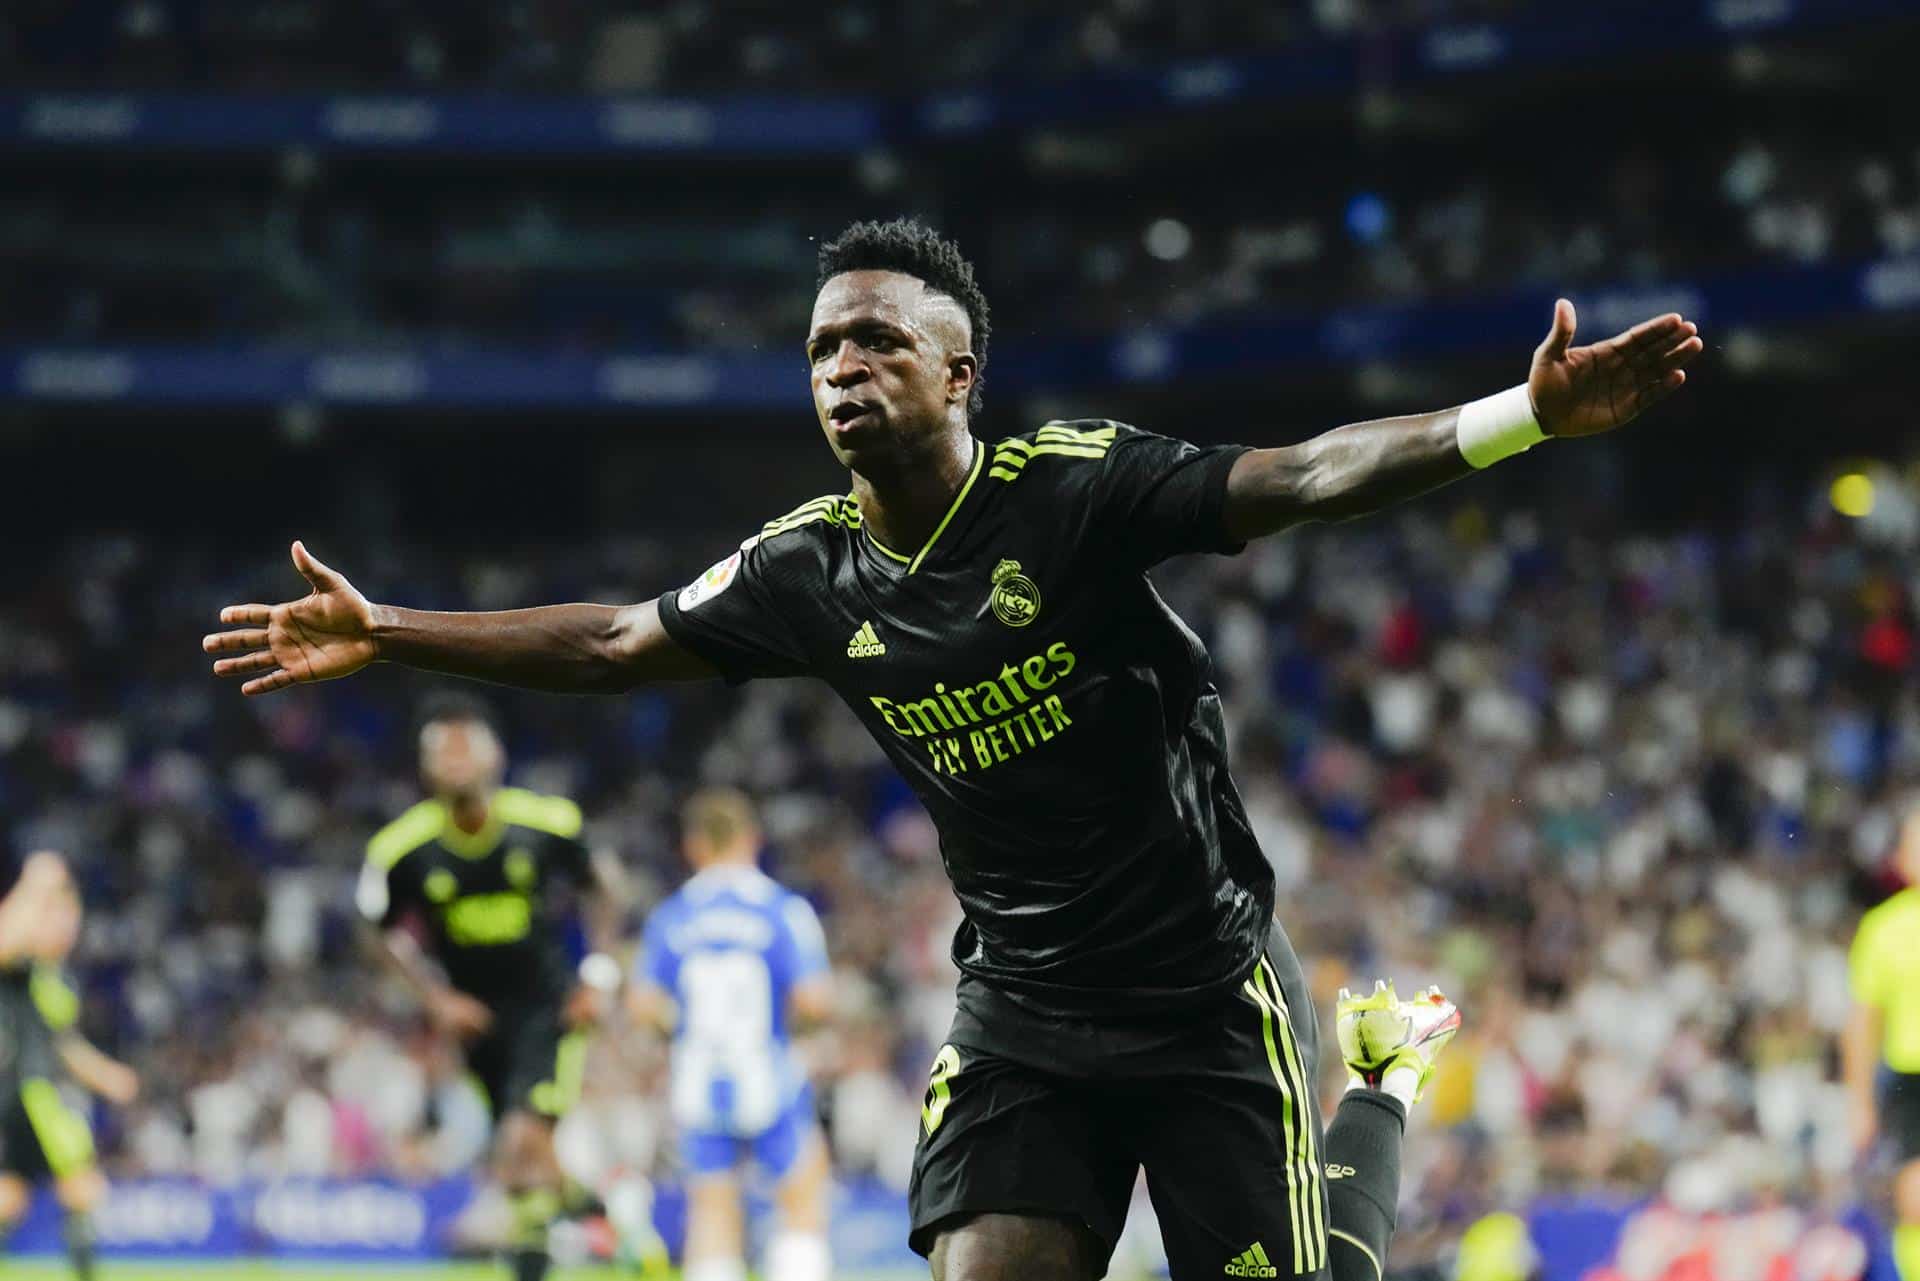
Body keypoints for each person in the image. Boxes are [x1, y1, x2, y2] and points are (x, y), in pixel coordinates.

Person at [206, 217, 1702, 1280]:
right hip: (1022, 1021)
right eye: (819, 347)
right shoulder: (805, 569)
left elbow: (1304, 473)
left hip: (1201, 996)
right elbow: (615, 642)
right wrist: (388, 628)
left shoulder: (1078, 494)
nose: (840, 365)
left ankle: (1369, 1089)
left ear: (960, 370)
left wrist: (1522, 417)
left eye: (875, 337)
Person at [353, 693, 624, 1281]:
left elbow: (602, 888)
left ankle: (532, 1256)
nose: (453, 761)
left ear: (493, 757)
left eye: (462, 747)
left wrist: (599, 975)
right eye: (439, 751)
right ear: (424, 769)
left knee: (518, 1141)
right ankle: (610, 1218)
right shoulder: (401, 850)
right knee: (531, 1167)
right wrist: (434, 998)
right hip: (477, 1022)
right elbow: (374, 933)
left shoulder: (546, 823)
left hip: (550, 1012)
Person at [627, 788, 835, 1281]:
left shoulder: (673, 916)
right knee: (801, 1196)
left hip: (700, 1079)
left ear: (693, 845)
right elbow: (815, 1001)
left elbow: (643, 1005)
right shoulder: (781, 910)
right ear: (752, 839)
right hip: (766, 1069)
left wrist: (688, 1029)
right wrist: (787, 1024)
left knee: (713, 1208)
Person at [0, 852, 140, 1281]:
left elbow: (61, 1045)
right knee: (83, 1189)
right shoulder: (20, 968)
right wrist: (35, 885)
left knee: (11, 1197)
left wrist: (106, 1076)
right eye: (57, 917)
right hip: (34, 1093)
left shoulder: (55, 977)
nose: (67, 927)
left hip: (33, 1091)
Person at [1846, 805, 1920, 1281]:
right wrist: (1859, 1103)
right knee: (1915, 1193)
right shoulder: (1883, 929)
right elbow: (1862, 1022)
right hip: (1910, 1079)